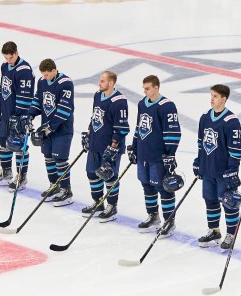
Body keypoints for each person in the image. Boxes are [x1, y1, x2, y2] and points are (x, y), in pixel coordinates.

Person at [193, 84, 241, 248]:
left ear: (224, 99)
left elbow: (237, 149)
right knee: (210, 200)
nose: (212, 99)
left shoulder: (231, 121)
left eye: (215, 96)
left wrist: (232, 170)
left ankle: (231, 234)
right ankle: (214, 230)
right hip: (208, 168)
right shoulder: (205, 117)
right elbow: (201, 143)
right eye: (211, 95)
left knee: (229, 202)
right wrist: (198, 161)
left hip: (223, 172)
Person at [128, 74, 181, 234]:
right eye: (143, 88)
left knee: (164, 188)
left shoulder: (167, 106)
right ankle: (153, 216)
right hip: (144, 154)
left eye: (147, 88)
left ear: (156, 88)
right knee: (146, 185)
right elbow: (139, 127)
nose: (144, 91)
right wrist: (134, 147)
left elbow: (173, 132)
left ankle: (169, 221)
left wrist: (170, 154)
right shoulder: (142, 104)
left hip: (159, 156)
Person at [26, 58, 77, 206]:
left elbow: (64, 109)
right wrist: (30, 115)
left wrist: (48, 128)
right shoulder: (42, 82)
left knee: (60, 160)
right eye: (43, 74)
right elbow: (38, 100)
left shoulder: (65, 83)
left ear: (54, 71)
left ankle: (66, 191)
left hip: (62, 129)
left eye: (47, 74)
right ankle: (54, 185)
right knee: (48, 157)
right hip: (47, 128)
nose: (45, 77)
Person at [81, 69, 129, 220]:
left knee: (109, 176)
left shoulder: (119, 101)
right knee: (91, 173)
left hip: (110, 147)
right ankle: (98, 203)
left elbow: (121, 128)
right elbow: (95, 115)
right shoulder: (97, 95)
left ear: (111, 82)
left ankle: (112, 206)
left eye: (102, 80)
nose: (99, 83)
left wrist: (114, 146)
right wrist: (89, 134)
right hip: (96, 143)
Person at [0, 41, 35, 189]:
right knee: (3, 141)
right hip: (6, 113)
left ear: (16, 53)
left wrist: (19, 116)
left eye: (10, 57)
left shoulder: (24, 70)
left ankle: (22, 177)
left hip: (19, 116)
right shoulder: (4, 66)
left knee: (18, 144)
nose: (8, 61)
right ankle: (6, 171)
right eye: (6, 58)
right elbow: (2, 88)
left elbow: (26, 96)